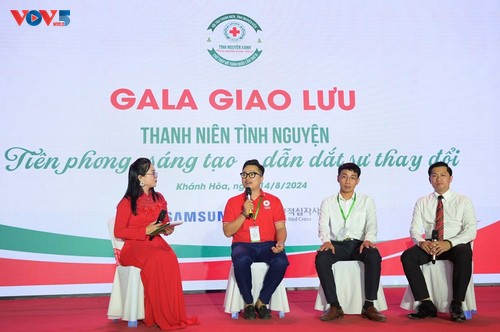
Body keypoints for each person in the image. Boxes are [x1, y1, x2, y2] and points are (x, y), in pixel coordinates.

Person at [114, 158, 199, 330]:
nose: (156, 176)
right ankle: (157, 315)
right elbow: (119, 232)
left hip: (156, 242)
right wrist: (144, 231)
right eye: (152, 173)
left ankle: (172, 314)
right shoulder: (127, 202)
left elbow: (164, 222)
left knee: (170, 258)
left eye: (155, 172)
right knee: (156, 259)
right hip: (134, 246)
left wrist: (167, 229)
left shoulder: (159, 198)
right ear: (140, 178)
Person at [401, 161, 477, 322]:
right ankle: (426, 303)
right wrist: (422, 242)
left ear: (450, 178)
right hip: (430, 244)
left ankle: (457, 304)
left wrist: (449, 243)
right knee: (408, 256)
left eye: (443, 175)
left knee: (465, 253)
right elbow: (414, 229)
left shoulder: (463, 201)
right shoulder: (422, 201)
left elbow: (471, 230)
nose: (439, 179)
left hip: (454, 244)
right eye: (434, 175)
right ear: (429, 179)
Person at [315, 162, 386, 322]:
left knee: (374, 255)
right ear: (338, 178)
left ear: (357, 181)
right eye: (344, 177)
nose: (348, 181)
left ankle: (369, 305)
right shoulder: (328, 201)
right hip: (336, 245)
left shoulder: (366, 200)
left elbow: (371, 224)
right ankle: (334, 306)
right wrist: (326, 240)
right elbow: (323, 224)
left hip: (359, 245)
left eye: (352, 178)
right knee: (321, 258)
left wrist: (368, 239)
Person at [222, 159, 289, 320]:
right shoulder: (233, 202)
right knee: (241, 259)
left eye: (252, 174)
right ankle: (248, 303)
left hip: (268, 245)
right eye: (244, 174)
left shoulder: (274, 201)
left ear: (261, 178)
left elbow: (280, 228)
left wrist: (280, 242)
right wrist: (244, 214)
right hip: (243, 245)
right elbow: (227, 231)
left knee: (281, 261)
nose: (247, 178)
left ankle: (262, 301)